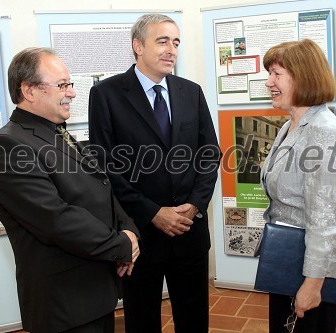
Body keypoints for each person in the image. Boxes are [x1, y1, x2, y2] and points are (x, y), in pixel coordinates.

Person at [0, 47, 140, 333]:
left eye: (70, 84)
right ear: (29, 90)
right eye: (62, 85)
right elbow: (56, 219)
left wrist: (129, 230)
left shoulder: (55, 132)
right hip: (64, 304)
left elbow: (100, 186)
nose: (72, 93)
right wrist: (121, 246)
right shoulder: (7, 146)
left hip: (95, 291)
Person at [88, 13, 220, 333]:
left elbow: (209, 154)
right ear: (138, 46)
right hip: (140, 235)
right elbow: (106, 167)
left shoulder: (191, 91)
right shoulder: (106, 95)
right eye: (162, 41)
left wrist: (194, 205)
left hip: (189, 230)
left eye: (175, 42)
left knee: (194, 319)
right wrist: (153, 213)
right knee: (142, 320)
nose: (171, 49)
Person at [259, 39, 336, 333]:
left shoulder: (324, 131)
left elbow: (325, 220)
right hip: (288, 262)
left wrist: (313, 284)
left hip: (307, 271)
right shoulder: (292, 125)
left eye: (276, 74)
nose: (268, 82)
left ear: (304, 77)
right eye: (269, 74)